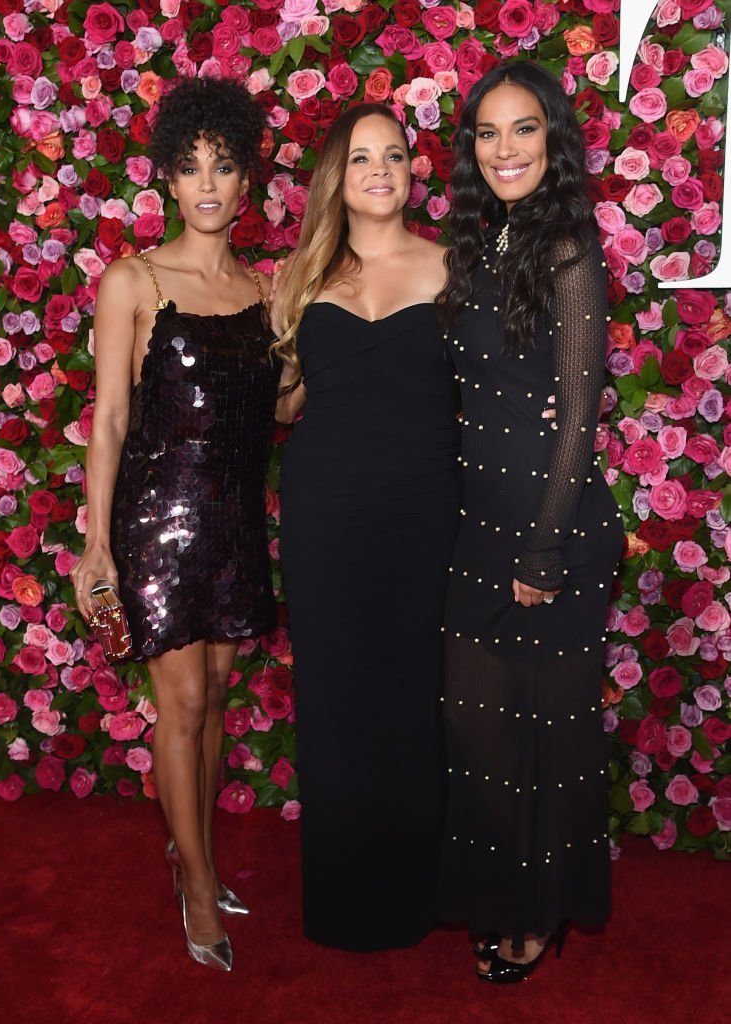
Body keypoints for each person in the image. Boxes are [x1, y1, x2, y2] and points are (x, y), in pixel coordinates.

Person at [71, 77, 279, 973]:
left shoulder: (266, 290)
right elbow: (110, 418)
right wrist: (95, 542)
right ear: (165, 177)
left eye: (223, 166)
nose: (206, 182)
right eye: (189, 166)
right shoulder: (133, 278)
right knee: (184, 703)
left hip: (234, 524)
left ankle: (189, 851)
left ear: (246, 185)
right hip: (160, 519)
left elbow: (280, 406)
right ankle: (195, 883)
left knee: (219, 701)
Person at [434, 62, 624, 983]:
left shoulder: (567, 249)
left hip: (552, 530)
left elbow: (579, 414)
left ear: (552, 142)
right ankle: (500, 889)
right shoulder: (486, 246)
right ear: (471, 149)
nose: (504, 149)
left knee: (549, 738)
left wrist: (544, 548)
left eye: (523, 130)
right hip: (480, 525)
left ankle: (539, 913)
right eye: (487, 133)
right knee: (482, 729)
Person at [271, 103, 462, 951]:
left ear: (412, 172)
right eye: (361, 157)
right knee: (336, 701)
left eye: (394, 155)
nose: (380, 169)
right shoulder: (303, 278)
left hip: (425, 514)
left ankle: (414, 895)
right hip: (325, 516)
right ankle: (344, 901)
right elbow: (287, 403)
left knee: (416, 698)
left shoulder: (453, 267)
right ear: (336, 178)